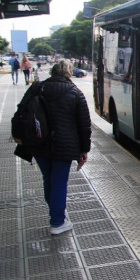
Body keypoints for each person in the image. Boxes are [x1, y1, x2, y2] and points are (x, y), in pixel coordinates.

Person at [18, 60, 91, 235]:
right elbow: (84, 126)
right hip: (63, 146)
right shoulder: (75, 93)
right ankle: (57, 222)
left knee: (49, 179)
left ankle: (56, 212)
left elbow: (21, 112)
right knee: (59, 181)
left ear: (52, 71)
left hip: (39, 143)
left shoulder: (37, 88)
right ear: (69, 72)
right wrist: (84, 150)